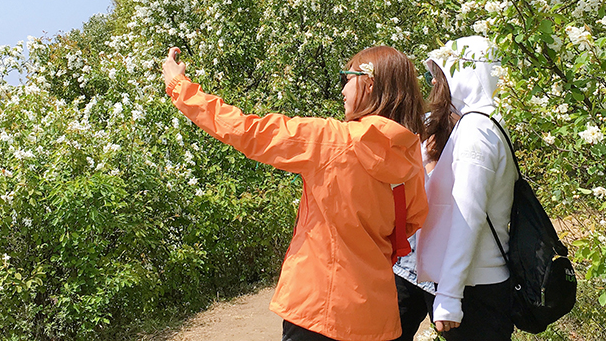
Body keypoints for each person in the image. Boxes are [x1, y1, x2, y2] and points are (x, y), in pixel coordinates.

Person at [161, 45, 429, 341]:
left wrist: (178, 87)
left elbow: (245, 131)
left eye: (347, 78)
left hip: (317, 310)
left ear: (369, 83)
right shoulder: (409, 157)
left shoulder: (329, 140)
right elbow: (411, 223)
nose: (342, 90)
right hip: (377, 316)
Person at [392, 36, 515, 341]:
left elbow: (467, 217)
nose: (434, 82)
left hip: (474, 287)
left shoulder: (477, 131)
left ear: (465, 73)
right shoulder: (481, 123)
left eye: (440, 73)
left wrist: (448, 295)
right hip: (464, 279)